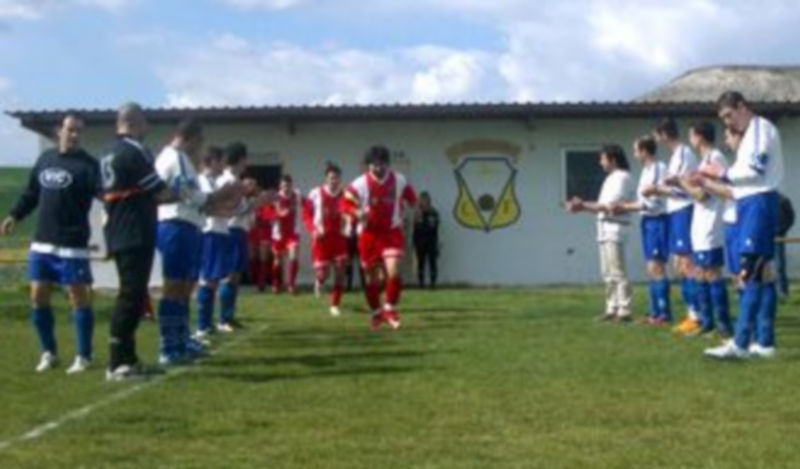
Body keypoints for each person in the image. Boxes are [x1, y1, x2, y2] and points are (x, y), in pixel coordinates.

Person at [1, 113, 100, 374]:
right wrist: (14, 215)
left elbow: (105, 195)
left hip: (72, 244)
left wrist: (111, 213)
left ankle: (84, 356)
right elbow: (31, 193)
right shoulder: (45, 160)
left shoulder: (89, 165)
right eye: (71, 130)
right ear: (60, 131)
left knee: (78, 298)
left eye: (79, 131)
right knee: (37, 296)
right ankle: (49, 353)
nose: (75, 135)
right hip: (42, 243)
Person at [702, 91, 784, 359]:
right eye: (723, 118)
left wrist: (721, 173)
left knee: (752, 271)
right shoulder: (749, 134)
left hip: (759, 202)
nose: (728, 123)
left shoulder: (761, 128)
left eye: (729, 115)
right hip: (749, 203)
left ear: (742, 107)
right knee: (760, 273)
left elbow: (755, 170)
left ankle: (740, 343)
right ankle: (764, 343)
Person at [154, 120, 242, 365]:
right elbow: (192, 197)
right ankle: (169, 346)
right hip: (175, 226)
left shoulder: (175, 158)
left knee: (184, 287)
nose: (200, 147)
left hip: (185, 226)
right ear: (192, 137)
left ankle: (180, 339)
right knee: (174, 287)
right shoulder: (177, 158)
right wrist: (221, 194)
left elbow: (193, 199)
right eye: (200, 141)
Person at [101, 102, 169, 381]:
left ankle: (128, 358)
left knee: (135, 293)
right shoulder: (133, 151)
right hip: (135, 230)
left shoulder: (106, 153)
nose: (147, 129)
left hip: (119, 228)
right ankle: (117, 363)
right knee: (130, 295)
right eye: (144, 123)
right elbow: (160, 191)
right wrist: (193, 197)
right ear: (133, 123)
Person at [342, 145, 418, 330]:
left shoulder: (399, 180)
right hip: (368, 235)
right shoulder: (359, 184)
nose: (377, 168)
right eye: (374, 164)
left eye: (381, 164)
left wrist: (415, 211)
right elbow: (345, 204)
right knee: (372, 279)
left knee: (393, 270)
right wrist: (357, 212)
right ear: (368, 165)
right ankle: (376, 313)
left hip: (391, 232)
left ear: (387, 164)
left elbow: (412, 198)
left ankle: (390, 308)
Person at [566, 144, 635, 321]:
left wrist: (582, 206)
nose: (600, 162)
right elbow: (601, 205)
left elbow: (609, 206)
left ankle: (624, 309)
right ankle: (611, 307)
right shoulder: (610, 178)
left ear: (612, 159)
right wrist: (582, 206)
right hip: (604, 227)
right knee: (607, 272)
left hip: (615, 226)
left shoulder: (622, 177)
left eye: (603, 158)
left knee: (618, 270)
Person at [676, 121, 733, 337]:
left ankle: (723, 325)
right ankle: (707, 322)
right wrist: (681, 183)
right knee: (699, 272)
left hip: (711, 225)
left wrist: (682, 183)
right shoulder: (702, 162)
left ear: (699, 136)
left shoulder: (715, 158)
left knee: (711, 272)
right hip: (699, 225)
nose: (690, 140)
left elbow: (703, 194)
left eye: (691, 135)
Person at [646, 117, 700, 335]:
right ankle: (692, 313)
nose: (656, 139)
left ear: (664, 134)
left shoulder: (684, 153)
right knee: (680, 263)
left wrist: (657, 190)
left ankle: (696, 315)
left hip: (684, 209)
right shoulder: (676, 156)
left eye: (657, 135)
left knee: (686, 263)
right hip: (676, 211)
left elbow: (684, 188)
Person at [612, 136, 671, 324]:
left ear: (645, 151)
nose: (634, 154)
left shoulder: (658, 169)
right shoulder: (645, 171)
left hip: (657, 220)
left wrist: (625, 207)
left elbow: (652, 202)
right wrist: (626, 206)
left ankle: (663, 313)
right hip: (647, 222)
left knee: (657, 266)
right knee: (650, 267)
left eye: (636, 150)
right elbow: (642, 201)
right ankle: (653, 312)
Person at [213, 142, 266, 332]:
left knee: (235, 275)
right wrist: (257, 203)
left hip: (239, 230)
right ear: (241, 159)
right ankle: (223, 319)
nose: (247, 162)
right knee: (229, 275)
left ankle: (229, 316)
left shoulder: (236, 180)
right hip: (231, 230)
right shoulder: (227, 181)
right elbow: (232, 210)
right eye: (245, 158)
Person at [302, 162, 349, 316]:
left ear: (340, 179)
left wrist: (350, 226)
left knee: (340, 271)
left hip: (339, 239)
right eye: (331, 178)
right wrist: (313, 230)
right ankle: (319, 281)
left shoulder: (346, 194)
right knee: (324, 273)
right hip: (321, 239)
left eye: (336, 178)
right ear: (326, 179)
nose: (333, 181)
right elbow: (306, 214)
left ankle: (335, 304)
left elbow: (352, 212)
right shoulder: (315, 193)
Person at [269, 174, 302, 294]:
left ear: (291, 185)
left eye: (288, 185)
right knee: (278, 259)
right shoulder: (276, 197)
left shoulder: (296, 195)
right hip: (278, 233)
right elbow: (270, 213)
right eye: (283, 186)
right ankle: (276, 284)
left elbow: (306, 204)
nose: (286, 188)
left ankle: (292, 285)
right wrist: (279, 214)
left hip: (293, 232)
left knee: (293, 256)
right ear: (280, 186)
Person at [413, 191, 440, 289]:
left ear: (429, 201)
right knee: (420, 264)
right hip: (420, 243)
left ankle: (433, 285)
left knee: (432, 263)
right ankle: (421, 285)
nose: (422, 202)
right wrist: (414, 243)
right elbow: (415, 230)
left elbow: (433, 228)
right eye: (421, 200)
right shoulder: (417, 214)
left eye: (424, 200)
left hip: (431, 242)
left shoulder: (433, 213)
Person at [776, 192, 794, 298]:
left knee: (779, 265)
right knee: (760, 265)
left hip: (779, 236)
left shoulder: (783, 200)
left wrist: (781, 230)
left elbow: (790, 217)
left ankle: (782, 290)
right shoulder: (762, 200)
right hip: (763, 236)